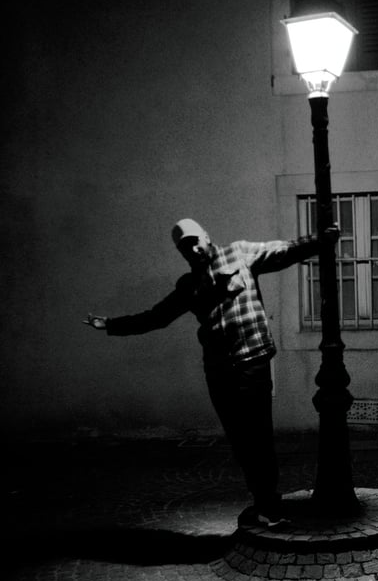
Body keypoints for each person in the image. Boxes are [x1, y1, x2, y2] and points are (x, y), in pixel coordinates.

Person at [83, 218, 339, 529]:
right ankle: (263, 501)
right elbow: (155, 317)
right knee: (241, 441)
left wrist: (319, 240)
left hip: (252, 363)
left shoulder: (240, 254)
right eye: (183, 246)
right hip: (218, 372)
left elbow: (282, 251)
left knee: (259, 437)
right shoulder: (188, 286)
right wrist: (110, 325)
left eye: (194, 240)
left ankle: (270, 505)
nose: (191, 248)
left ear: (207, 237)